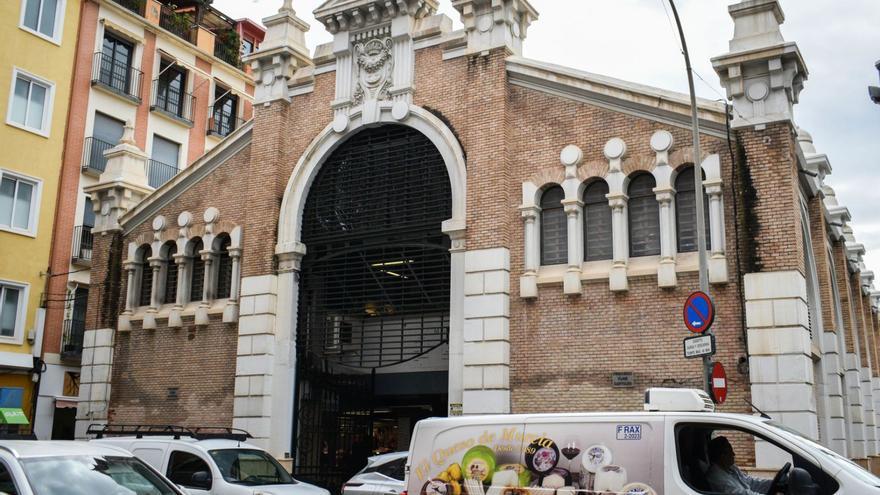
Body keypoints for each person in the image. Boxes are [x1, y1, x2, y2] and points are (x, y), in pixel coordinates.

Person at [705, 436, 775, 495]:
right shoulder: (716, 478)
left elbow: (749, 481)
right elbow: (743, 493)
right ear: (722, 456)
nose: (733, 454)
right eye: (730, 451)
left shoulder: (731, 467)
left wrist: (772, 483)